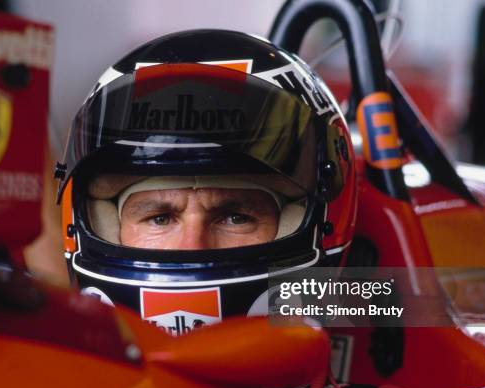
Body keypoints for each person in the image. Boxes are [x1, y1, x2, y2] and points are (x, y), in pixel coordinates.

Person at [54, 29, 356, 335]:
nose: (191, 248)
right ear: (97, 220)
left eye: (236, 218)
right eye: (159, 218)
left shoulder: (377, 308)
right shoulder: (49, 374)